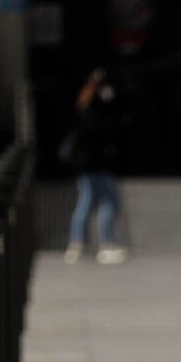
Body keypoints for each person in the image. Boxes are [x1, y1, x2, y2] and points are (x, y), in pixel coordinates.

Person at [63, 68, 129, 264]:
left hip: (89, 164)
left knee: (86, 201)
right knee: (110, 200)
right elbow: (99, 134)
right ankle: (106, 244)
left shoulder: (86, 105)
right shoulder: (93, 108)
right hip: (93, 164)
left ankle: (77, 243)